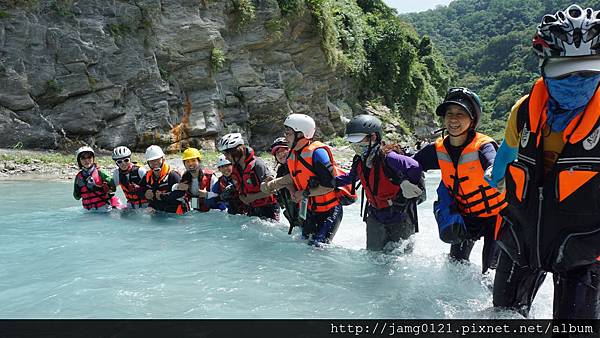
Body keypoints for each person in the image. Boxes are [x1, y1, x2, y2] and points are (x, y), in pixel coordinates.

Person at [486, 4, 600, 319]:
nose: (576, 80)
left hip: (583, 253)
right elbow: (506, 158)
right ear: (544, 66)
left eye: (588, 69)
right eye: (563, 70)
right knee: (502, 320)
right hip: (522, 241)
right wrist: (491, 179)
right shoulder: (523, 112)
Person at [413, 87, 506, 273]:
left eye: (461, 114)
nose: (453, 119)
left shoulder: (483, 145)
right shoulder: (437, 149)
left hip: (496, 216)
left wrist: (495, 172)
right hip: (466, 215)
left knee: (491, 271)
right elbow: (410, 165)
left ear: (472, 119)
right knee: (455, 266)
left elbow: (493, 161)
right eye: (449, 114)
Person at [335, 115, 424, 251]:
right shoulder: (360, 160)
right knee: (373, 256)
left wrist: (406, 182)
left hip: (399, 214)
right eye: (351, 140)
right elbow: (351, 178)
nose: (354, 145)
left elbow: (415, 166)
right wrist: (329, 181)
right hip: (375, 215)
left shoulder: (389, 157)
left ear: (373, 137)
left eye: (358, 140)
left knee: (400, 259)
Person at [262, 114, 344, 245]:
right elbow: (295, 177)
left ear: (300, 134)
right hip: (310, 210)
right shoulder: (292, 155)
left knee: (318, 247)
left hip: (329, 210)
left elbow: (329, 185)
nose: (285, 137)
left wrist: (304, 193)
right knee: (303, 244)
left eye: (288, 133)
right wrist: (290, 190)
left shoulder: (318, 153)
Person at [216, 133, 279, 220]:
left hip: (268, 208)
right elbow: (240, 188)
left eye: (227, 154)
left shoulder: (257, 164)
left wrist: (252, 198)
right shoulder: (236, 168)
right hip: (252, 208)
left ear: (236, 151)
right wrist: (242, 197)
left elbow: (272, 191)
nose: (226, 157)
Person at [140, 145, 188, 214]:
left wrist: (162, 196)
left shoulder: (173, 175)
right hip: (158, 211)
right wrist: (145, 194)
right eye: (152, 161)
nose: (155, 163)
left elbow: (181, 193)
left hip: (174, 213)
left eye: (157, 160)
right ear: (148, 163)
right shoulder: (147, 176)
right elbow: (139, 189)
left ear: (163, 159)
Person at [270, 137, 302, 235]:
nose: (280, 154)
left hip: (306, 212)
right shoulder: (281, 170)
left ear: (290, 150)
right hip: (292, 215)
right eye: (277, 153)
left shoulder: (299, 164)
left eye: (283, 150)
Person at [73, 146, 117, 212]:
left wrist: (97, 187)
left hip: (104, 209)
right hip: (87, 211)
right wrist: (79, 189)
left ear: (93, 158)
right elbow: (76, 197)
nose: (86, 160)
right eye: (83, 158)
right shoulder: (78, 177)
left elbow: (113, 188)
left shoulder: (101, 172)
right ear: (79, 160)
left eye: (89, 157)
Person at [176, 147, 220, 212]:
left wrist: (206, 194)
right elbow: (173, 189)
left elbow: (219, 196)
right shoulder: (185, 177)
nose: (190, 164)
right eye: (187, 161)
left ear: (199, 161)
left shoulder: (210, 177)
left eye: (193, 160)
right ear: (184, 164)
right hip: (195, 205)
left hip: (211, 210)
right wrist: (178, 186)